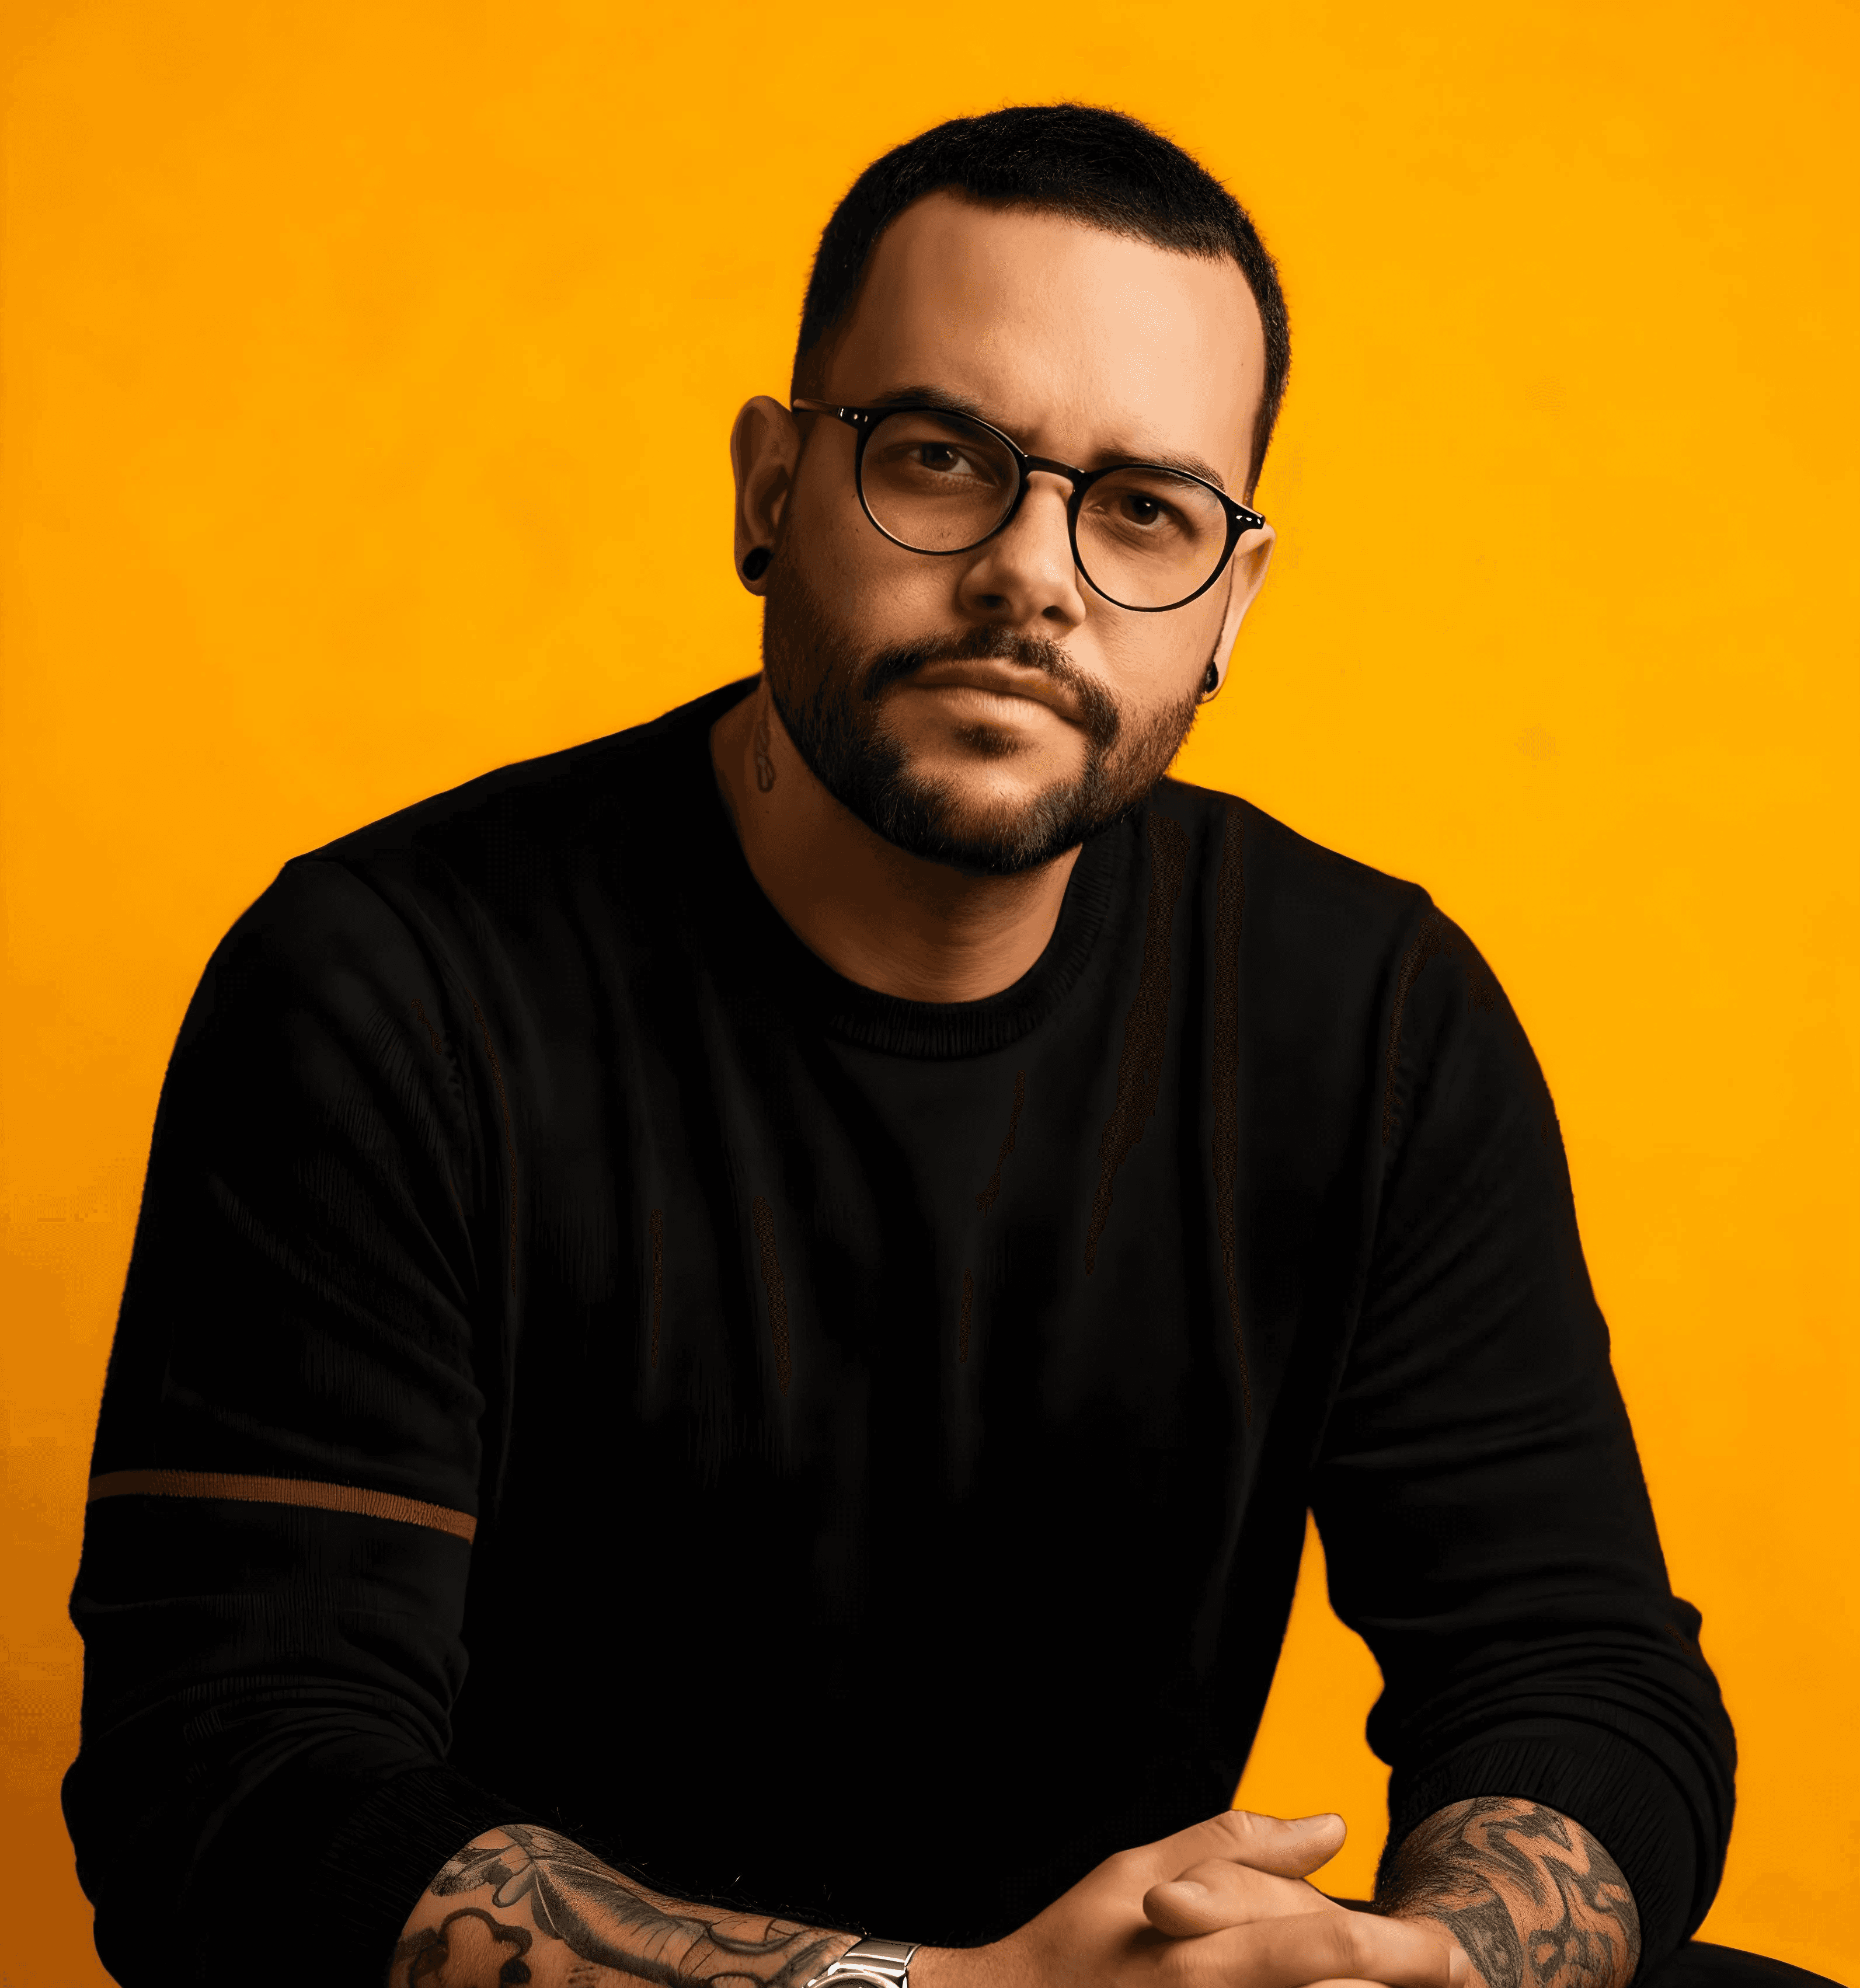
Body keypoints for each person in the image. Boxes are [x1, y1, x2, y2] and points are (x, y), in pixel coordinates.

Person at [62, 104, 1819, 1988]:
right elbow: (234, 1784)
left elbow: (1574, 1667)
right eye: (941, 458)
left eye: (1145, 510)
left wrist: (1438, 1965)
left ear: (1231, 604)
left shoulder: (1370, 1017)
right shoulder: (386, 987)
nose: (1033, 575)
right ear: (769, 489)